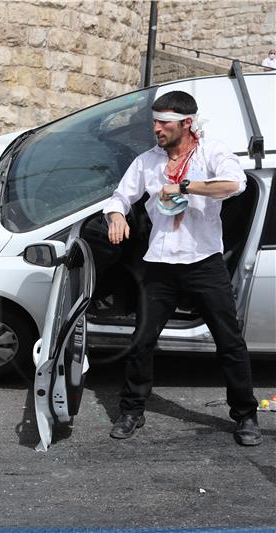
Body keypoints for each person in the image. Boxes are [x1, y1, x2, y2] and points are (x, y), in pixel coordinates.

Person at [103, 91, 261, 446]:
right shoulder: (147, 162)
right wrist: (116, 216)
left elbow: (235, 184)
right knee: (141, 341)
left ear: (186, 123)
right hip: (159, 265)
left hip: (204, 262)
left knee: (230, 343)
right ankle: (131, 410)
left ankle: (245, 416)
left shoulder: (213, 152)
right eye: (155, 122)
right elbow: (120, 197)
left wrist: (186, 185)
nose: (156, 129)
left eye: (164, 123)